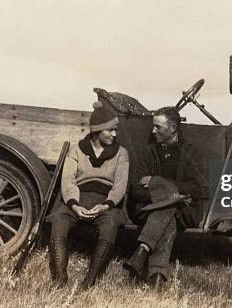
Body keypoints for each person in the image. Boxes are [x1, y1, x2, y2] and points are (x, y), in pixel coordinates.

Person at [47, 101, 129, 289]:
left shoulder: (121, 154)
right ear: (97, 131)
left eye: (115, 130)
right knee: (59, 219)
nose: (115, 134)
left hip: (105, 203)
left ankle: (89, 281)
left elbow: (120, 185)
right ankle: (60, 277)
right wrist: (75, 205)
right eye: (110, 130)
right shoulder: (76, 150)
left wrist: (106, 205)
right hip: (78, 199)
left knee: (110, 225)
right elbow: (68, 180)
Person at [123, 106, 207, 286]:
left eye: (158, 127)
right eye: (153, 126)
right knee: (169, 209)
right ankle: (157, 276)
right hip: (151, 208)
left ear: (173, 128)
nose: (153, 131)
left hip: (184, 210)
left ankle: (143, 249)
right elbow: (137, 189)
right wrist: (172, 194)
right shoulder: (148, 153)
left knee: (169, 208)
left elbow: (196, 188)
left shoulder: (190, 153)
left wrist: (156, 182)